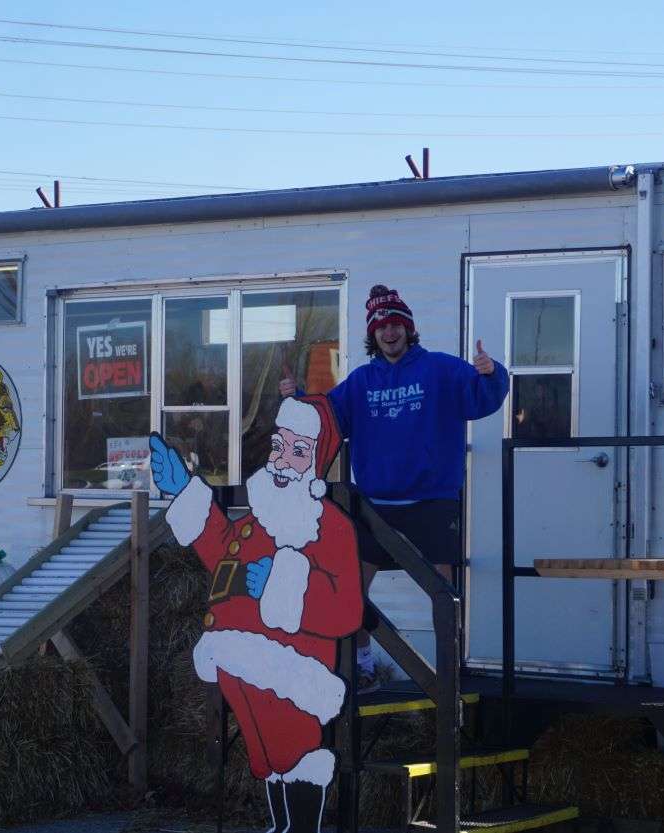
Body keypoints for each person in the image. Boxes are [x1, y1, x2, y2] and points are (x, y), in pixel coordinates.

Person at [149, 395, 363, 833]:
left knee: (295, 747)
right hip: (233, 656)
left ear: (315, 462)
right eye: (279, 446)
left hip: (293, 666)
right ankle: (282, 826)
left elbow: (346, 609)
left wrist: (283, 585)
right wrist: (185, 492)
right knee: (266, 753)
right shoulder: (256, 519)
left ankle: (301, 827)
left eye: (297, 450)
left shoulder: (330, 527)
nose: (283, 460)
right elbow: (219, 550)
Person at [279, 284, 508, 691]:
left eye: (397, 324)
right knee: (351, 589)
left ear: (409, 328)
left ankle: (449, 673)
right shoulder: (361, 382)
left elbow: (481, 399)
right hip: (375, 506)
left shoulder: (441, 369)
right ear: (373, 334)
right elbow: (327, 419)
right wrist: (296, 399)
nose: (390, 332)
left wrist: (492, 374)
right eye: (382, 326)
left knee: (444, 594)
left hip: (433, 501)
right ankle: (364, 666)